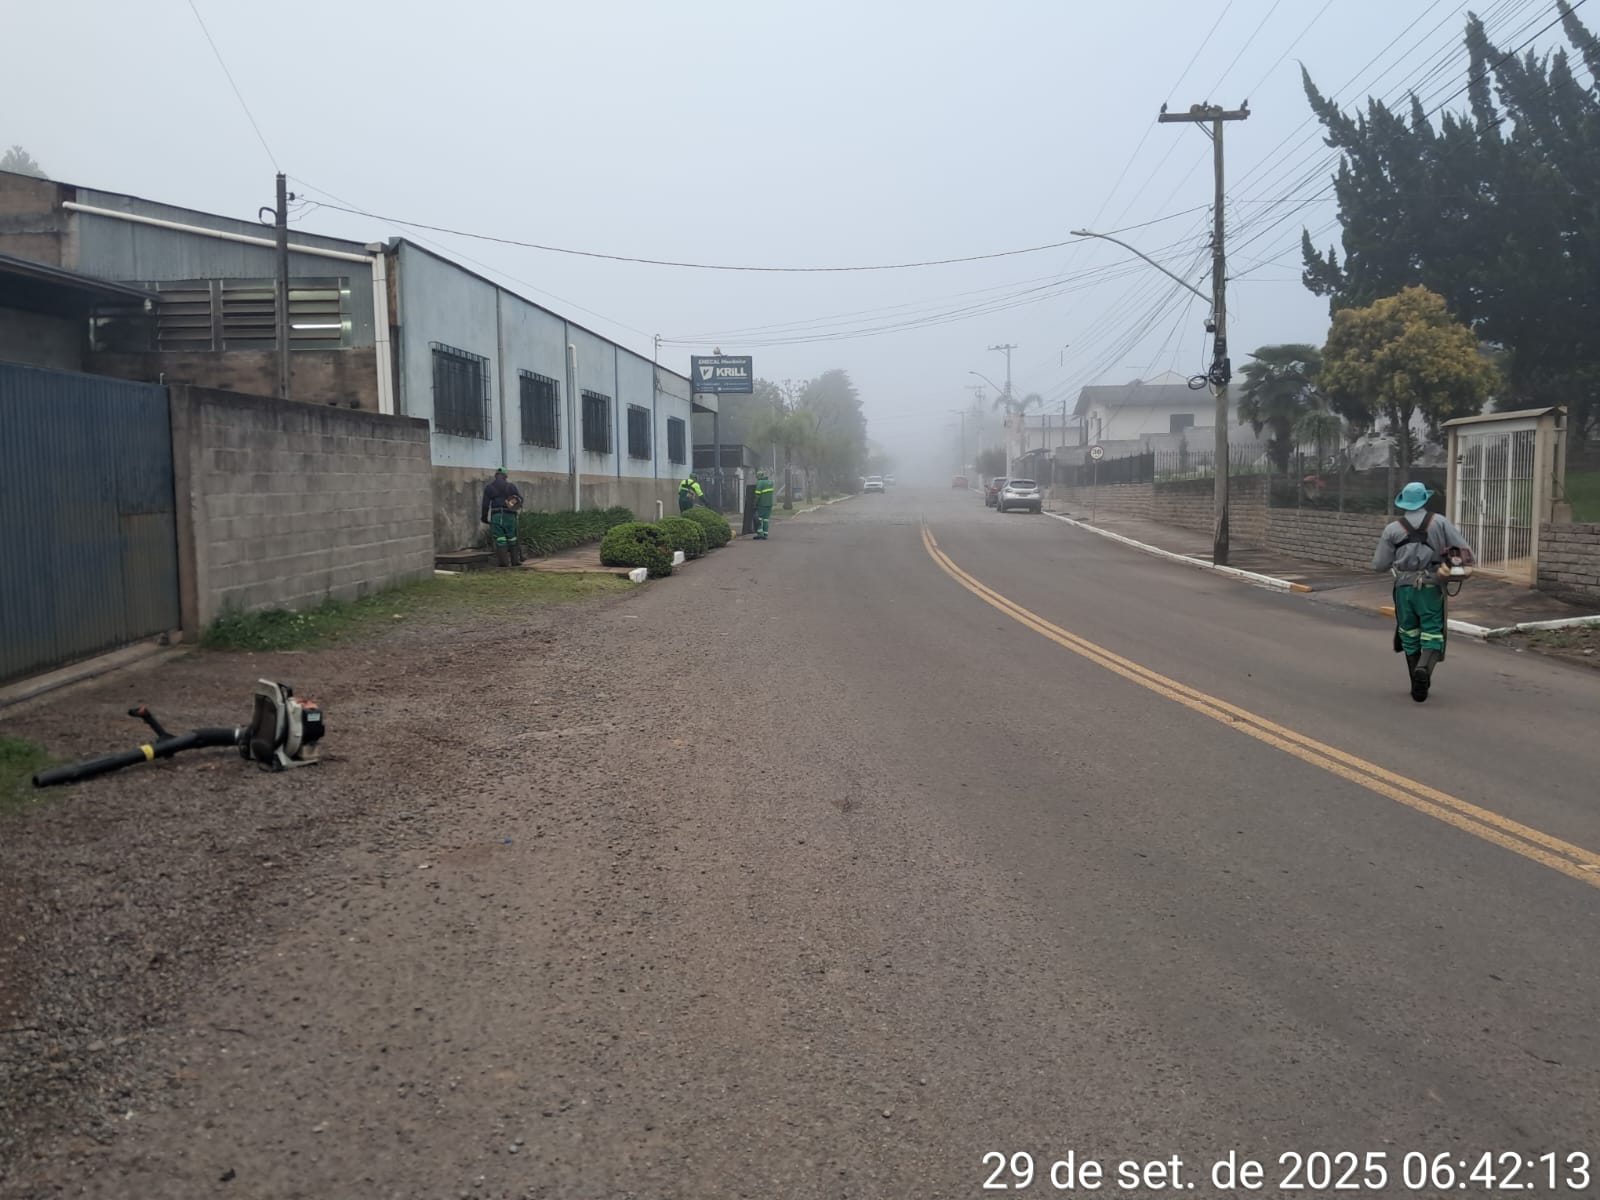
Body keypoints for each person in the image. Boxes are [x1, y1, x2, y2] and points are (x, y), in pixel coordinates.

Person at [1372, 481, 1473, 702]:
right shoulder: (1440, 522)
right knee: (1432, 631)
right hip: (1431, 585)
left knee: (1409, 633)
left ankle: (1416, 684)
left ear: (1403, 503)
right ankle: (1423, 670)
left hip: (1403, 587)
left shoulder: (1392, 529)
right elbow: (1465, 553)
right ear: (1424, 500)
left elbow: (1379, 564)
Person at [480, 467, 524, 568]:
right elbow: (520, 499)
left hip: (497, 516)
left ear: (495, 476)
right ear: (505, 476)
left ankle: (504, 563)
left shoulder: (489, 488)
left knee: (500, 538)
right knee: (512, 537)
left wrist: (484, 517)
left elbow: (485, 505)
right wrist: (511, 504)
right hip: (510, 516)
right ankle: (515, 561)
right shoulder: (511, 486)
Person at [753, 468, 774, 540]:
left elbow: (757, 495)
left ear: (759, 476)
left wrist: (754, 504)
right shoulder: (770, 482)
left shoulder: (760, 482)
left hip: (762, 504)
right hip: (769, 504)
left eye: (757, 477)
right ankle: (765, 534)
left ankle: (760, 534)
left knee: (759, 519)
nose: (757, 478)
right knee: (766, 519)